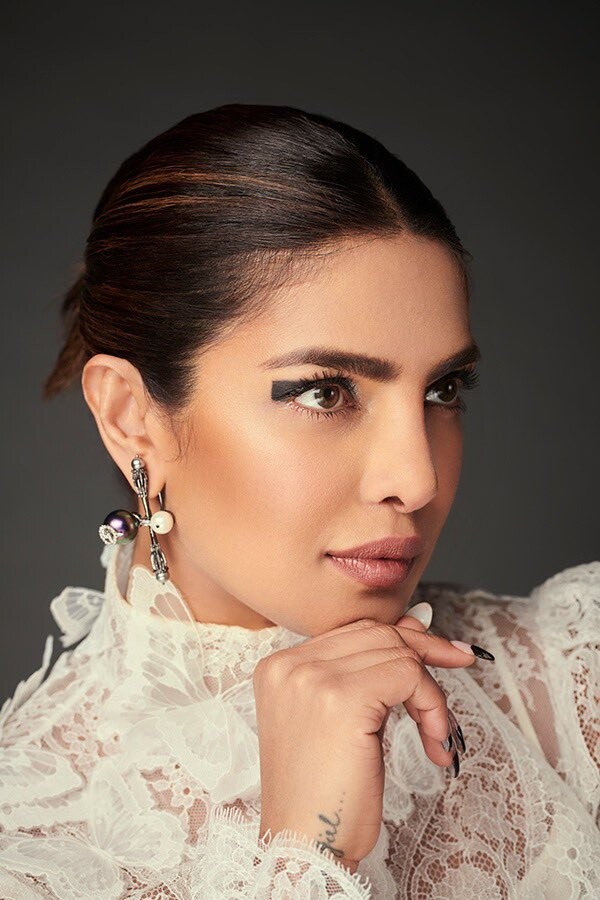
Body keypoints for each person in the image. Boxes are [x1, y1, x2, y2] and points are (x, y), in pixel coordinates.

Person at [0, 104, 597, 899]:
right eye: (324, 392)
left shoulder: (570, 674)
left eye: (443, 389)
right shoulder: (32, 847)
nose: (416, 479)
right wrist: (308, 855)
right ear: (131, 416)